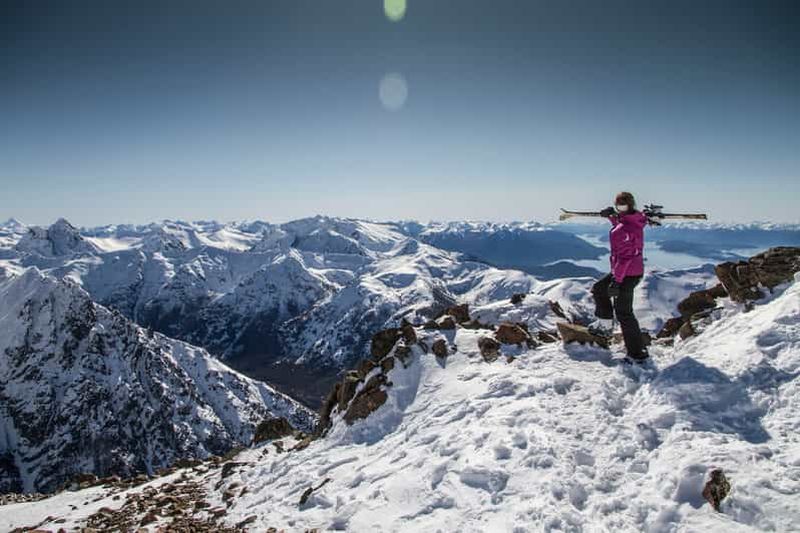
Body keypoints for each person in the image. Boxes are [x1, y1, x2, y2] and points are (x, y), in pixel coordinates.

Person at [591, 191, 649, 361]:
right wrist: (611, 217)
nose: (621, 209)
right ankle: (605, 324)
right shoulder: (634, 221)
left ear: (630, 206)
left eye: (624, 206)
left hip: (626, 273)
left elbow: (625, 257)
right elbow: (624, 226)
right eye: (619, 206)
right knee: (600, 289)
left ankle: (637, 354)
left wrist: (616, 281)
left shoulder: (625, 228)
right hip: (631, 271)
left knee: (624, 312)